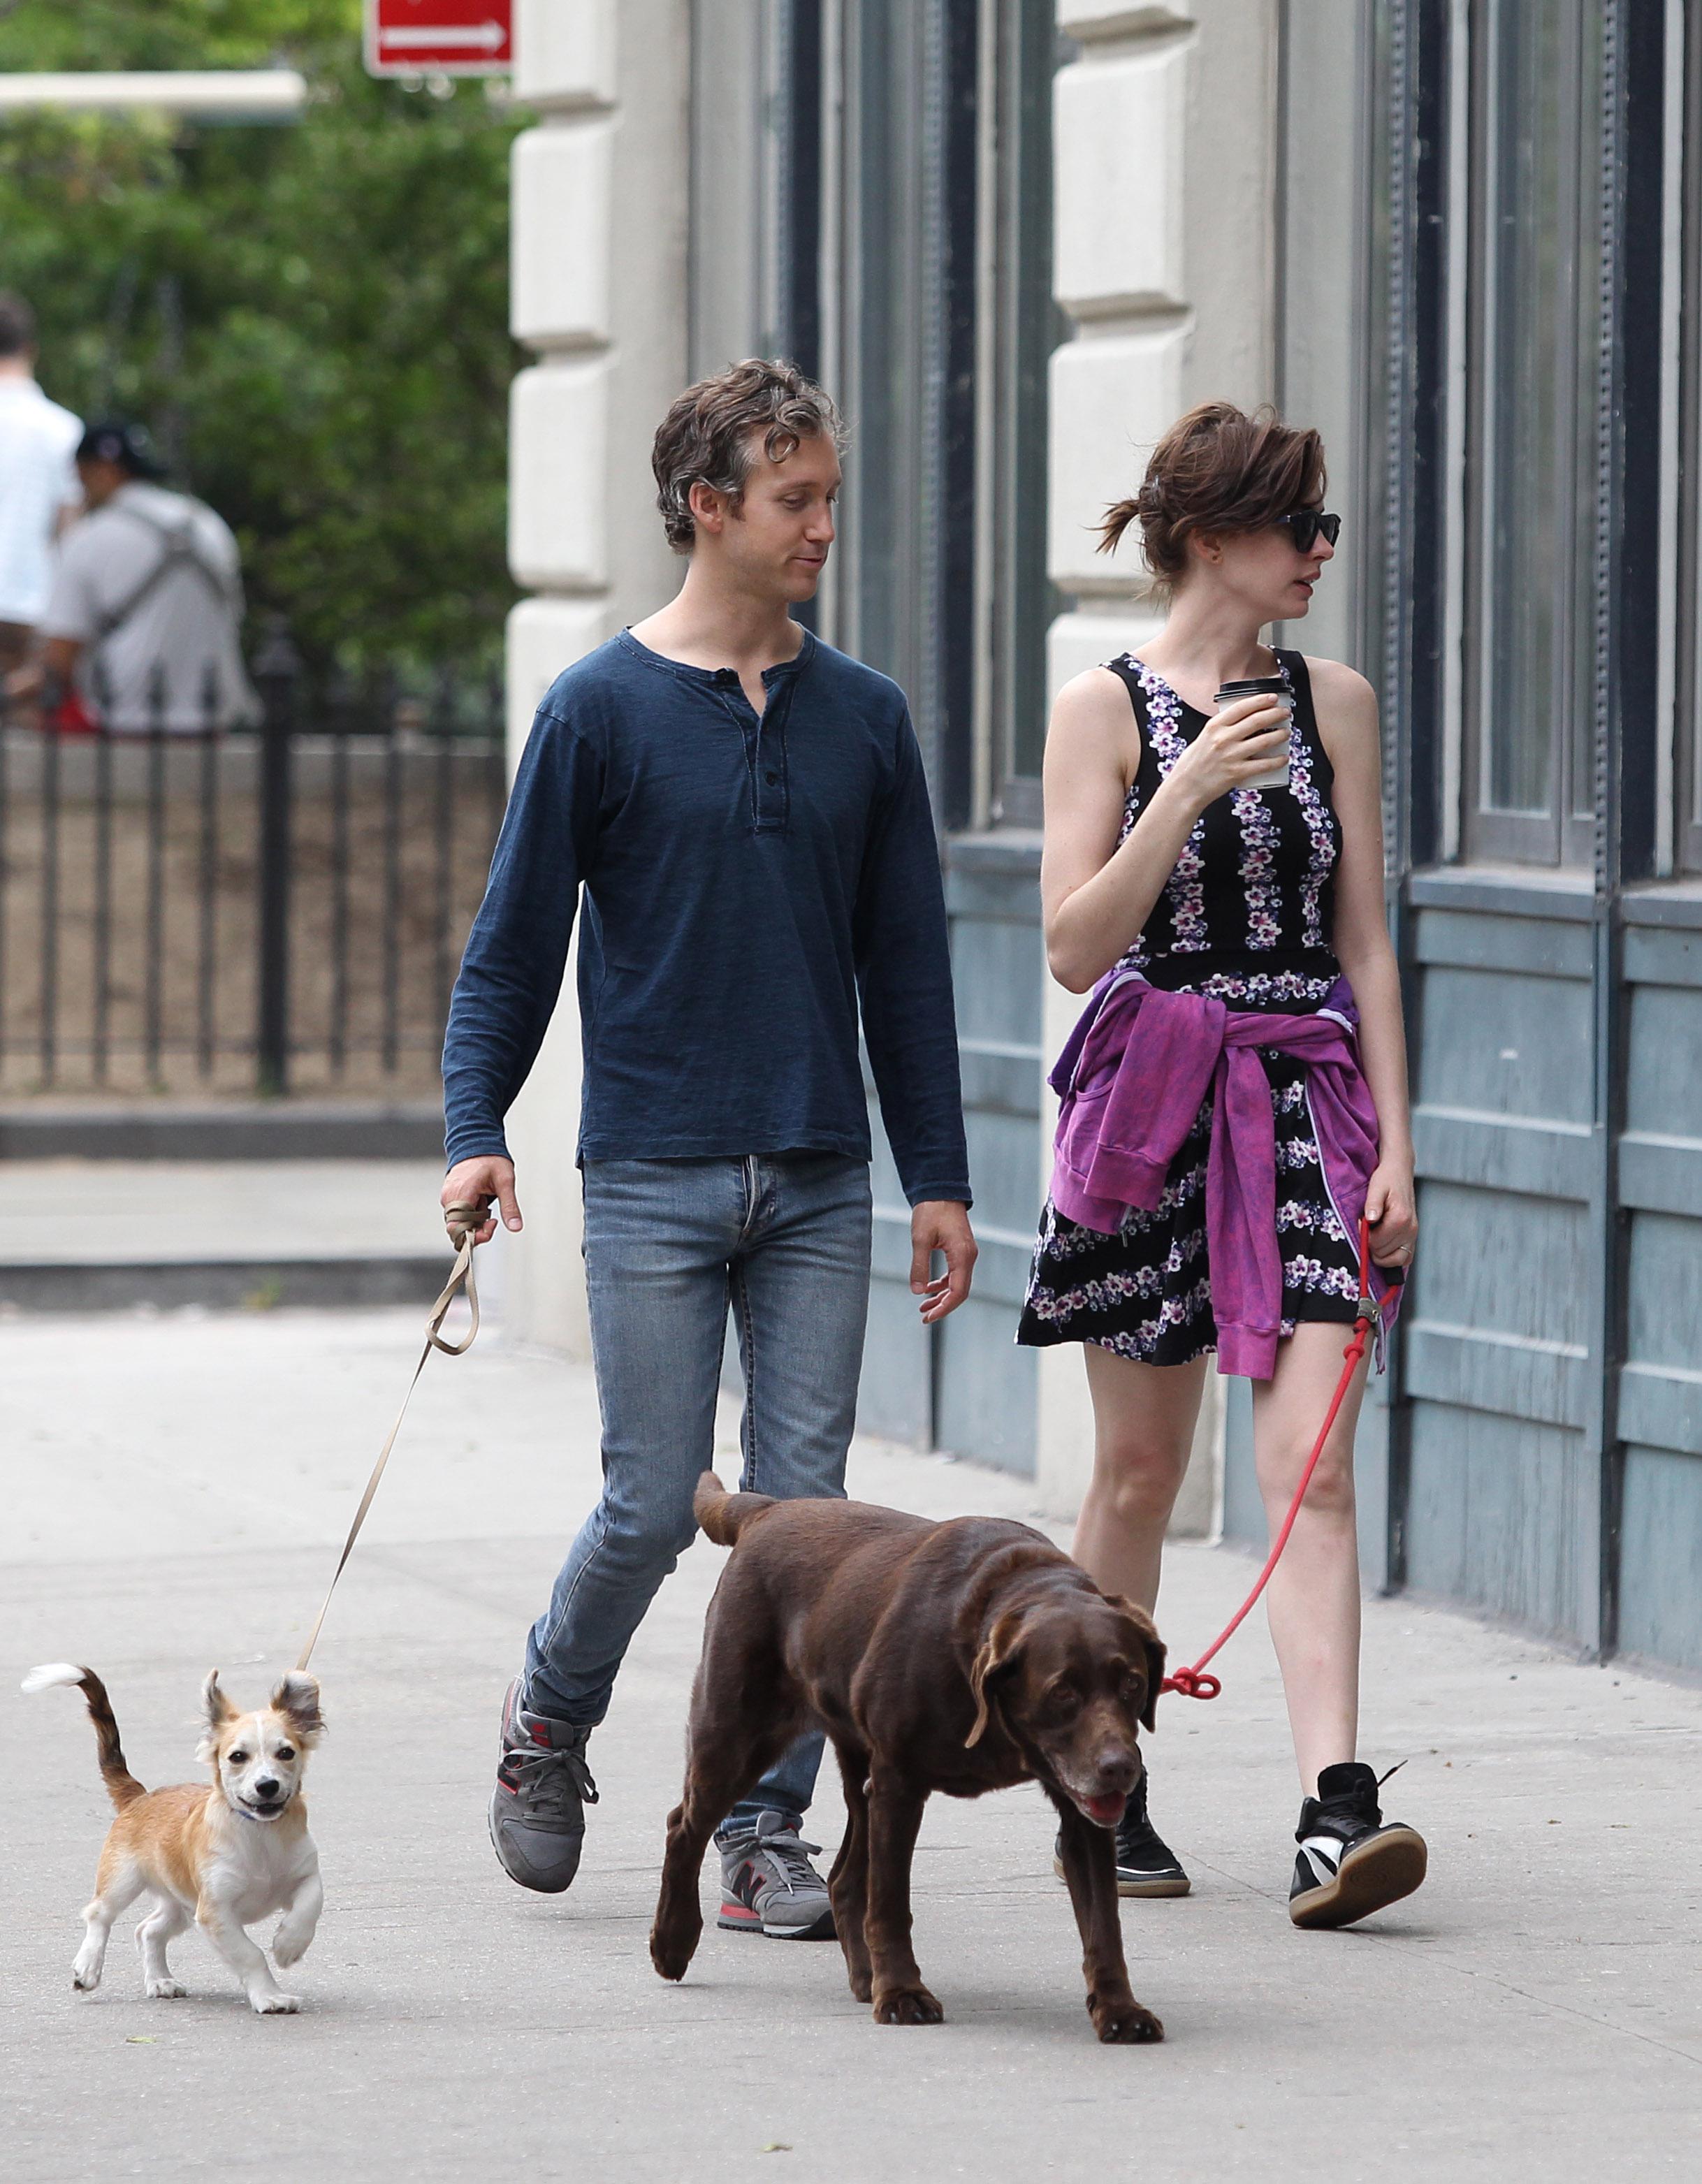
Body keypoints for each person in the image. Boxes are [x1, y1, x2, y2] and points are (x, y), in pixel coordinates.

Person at [440, 358, 977, 1939]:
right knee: (657, 1503)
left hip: (817, 1171)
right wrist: (476, 1131)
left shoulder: (866, 716)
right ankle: (551, 1713)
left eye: (828, 496)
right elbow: (513, 946)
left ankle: (761, 1827)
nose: (823, 525)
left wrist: (937, 1175)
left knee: (807, 1523)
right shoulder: (597, 709)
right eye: (795, 498)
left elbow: (909, 967)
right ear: (710, 505)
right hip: (654, 1169)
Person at [1017, 400, 1426, 1929]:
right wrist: (1184, 788)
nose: (1320, 550)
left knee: (1311, 1466)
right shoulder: (1102, 707)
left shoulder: (1337, 703)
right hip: (1152, 1109)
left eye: (1323, 524)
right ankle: (1097, 1775)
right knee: (1139, 1471)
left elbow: (1365, 942)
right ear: (1208, 538)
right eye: (1296, 525)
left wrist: (1399, 1144)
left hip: (1309, 1105)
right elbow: (1073, 947)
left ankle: (1337, 1806)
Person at [35, 419, 257, 734]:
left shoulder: (89, 539)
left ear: (102, 472)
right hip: (212, 720)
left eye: (80, 477)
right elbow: (234, 616)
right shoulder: (207, 523)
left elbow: (58, 666)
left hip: (121, 720)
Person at [0, 293, 82, 686]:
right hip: (33, 602)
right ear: (31, 349)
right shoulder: (64, 430)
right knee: (24, 716)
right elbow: (70, 532)